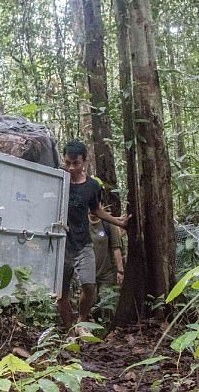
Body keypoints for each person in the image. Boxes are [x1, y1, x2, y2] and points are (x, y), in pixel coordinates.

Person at [57, 140, 130, 337]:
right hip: (60, 244)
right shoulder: (58, 179)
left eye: (76, 163)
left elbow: (96, 209)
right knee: (60, 292)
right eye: (68, 163)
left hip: (83, 243)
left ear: (85, 162)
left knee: (89, 286)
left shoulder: (91, 186)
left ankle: (81, 321)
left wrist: (118, 222)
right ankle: (69, 330)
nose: (71, 167)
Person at [89, 210, 124, 288]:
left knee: (106, 298)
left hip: (107, 275)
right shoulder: (82, 223)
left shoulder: (108, 224)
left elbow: (116, 248)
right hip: (88, 275)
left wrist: (120, 271)